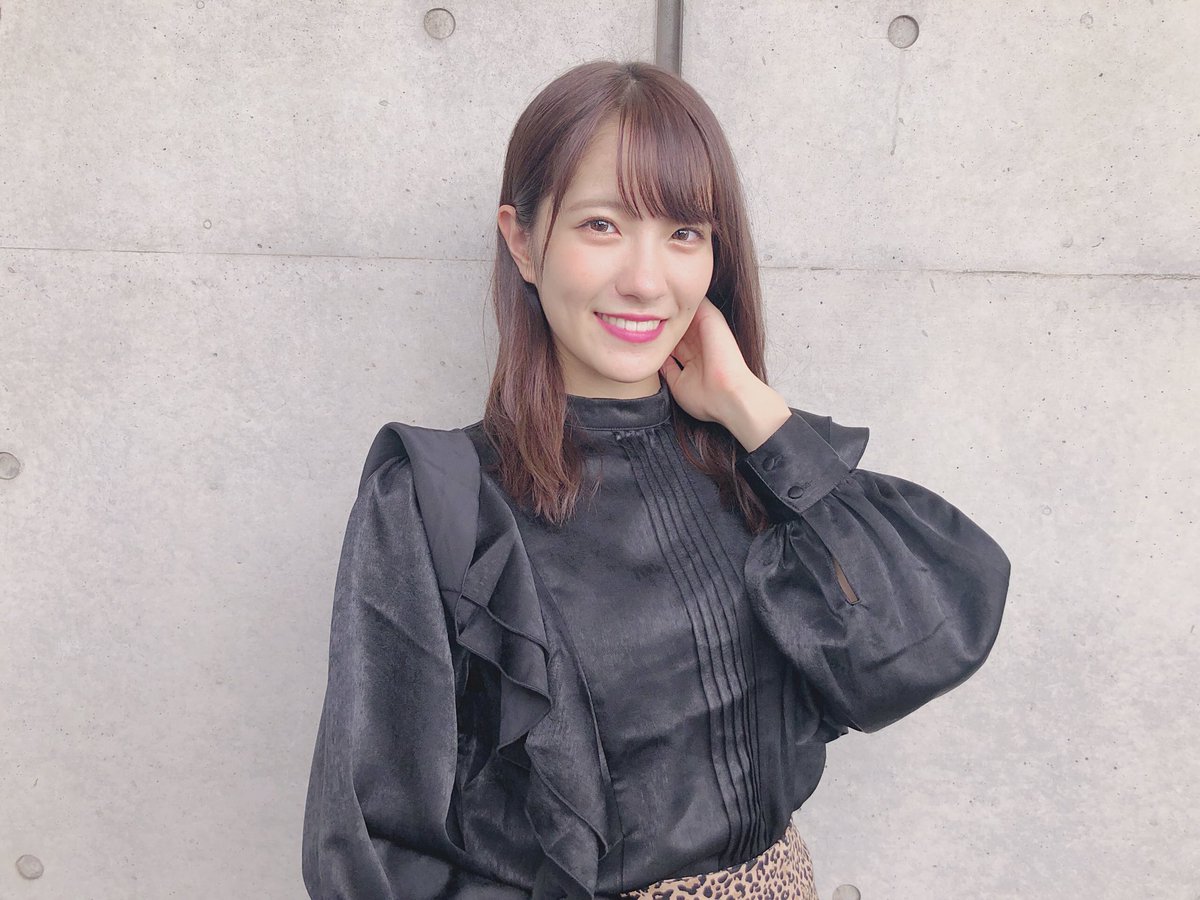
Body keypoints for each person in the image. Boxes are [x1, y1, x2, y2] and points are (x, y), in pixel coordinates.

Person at [301, 59, 1011, 900]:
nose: (645, 279)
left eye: (684, 233)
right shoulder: (436, 505)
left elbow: (925, 638)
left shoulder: (758, 466)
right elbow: (373, 848)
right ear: (522, 241)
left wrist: (751, 409)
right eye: (602, 225)